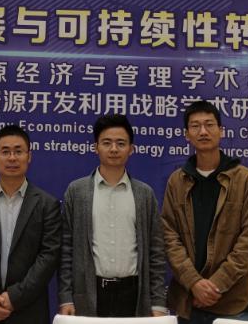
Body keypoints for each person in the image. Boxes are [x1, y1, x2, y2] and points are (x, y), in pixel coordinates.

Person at [161, 101, 248, 324]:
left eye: (209, 124)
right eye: (195, 126)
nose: (203, 131)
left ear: (221, 131)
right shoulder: (176, 181)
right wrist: (194, 283)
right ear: (187, 134)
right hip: (188, 301)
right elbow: (169, 236)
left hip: (233, 304)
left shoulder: (246, 180)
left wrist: (215, 285)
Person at [59, 114, 167, 317]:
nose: (114, 149)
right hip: (90, 294)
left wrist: (158, 303)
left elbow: (156, 252)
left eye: (121, 143)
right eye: (107, 143)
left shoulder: (144, 194)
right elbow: (66, 250)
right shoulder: (77, 191)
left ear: (131, 149)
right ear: (96, 147)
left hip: (133, 294)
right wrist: (66, 297)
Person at [0, 124, 61, 324]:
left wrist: (15, 297)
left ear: (29, 156)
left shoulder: (47, 204)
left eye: (18, 151)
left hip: (29, 311)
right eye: (5, 152)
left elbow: (49, 256)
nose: (12, 158)